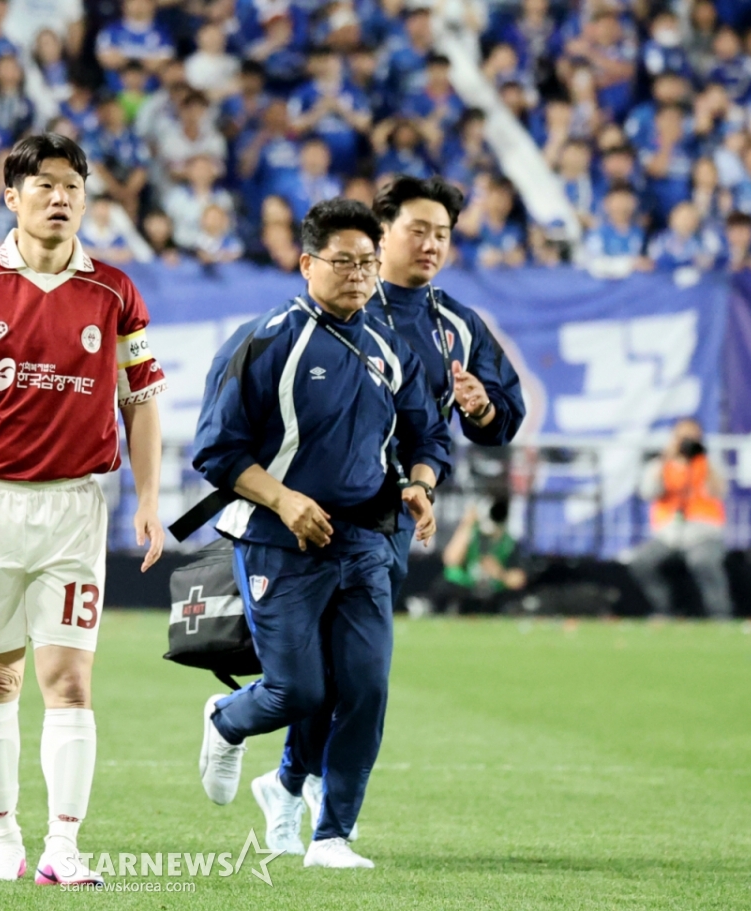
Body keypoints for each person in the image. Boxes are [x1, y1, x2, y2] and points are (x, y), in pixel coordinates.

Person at [0, 133, 166, 885]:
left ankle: (63, 848)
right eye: (45, 184)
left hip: (75, 507)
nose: (61, 197)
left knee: (70, 681)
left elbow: (142, 400)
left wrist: (149, 498)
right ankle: (3, 841)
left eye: (73, 186)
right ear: (11, 197)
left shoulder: (115, 292)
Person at [256, 174, 527, 849]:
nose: (432, 244)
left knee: (355, 672)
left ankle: (297, 788)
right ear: (382, 234)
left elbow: (503, 414)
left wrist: (481, 407)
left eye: (443, 234)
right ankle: (299, 786)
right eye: (418, 230)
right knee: (321, 671)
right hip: (315, 511)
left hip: (394, 517)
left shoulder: (457, 324)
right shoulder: (342, 303)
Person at [193, 199, 451, 868]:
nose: (359, 274)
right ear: (307, 263)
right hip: (279, 541)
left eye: (368, 262)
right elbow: (216, 450)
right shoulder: (265, 340)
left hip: (366, 541)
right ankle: (226, 718)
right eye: (344, 262)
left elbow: (426, 431)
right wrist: (285, 501)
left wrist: (420, 483)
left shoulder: (388, 345)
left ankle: (332, 835)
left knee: (365, 689)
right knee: (298, 691)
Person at [629, 419, 733, 620]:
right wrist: (664, 459)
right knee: (640, 561)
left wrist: (704, 460)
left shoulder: (708, 463)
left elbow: (720, 491)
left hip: (703, 532)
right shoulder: (661, 464)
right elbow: (648, 492)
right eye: (682, 437)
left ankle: (720, 614)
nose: (686, 442)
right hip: (669, 534)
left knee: (702, 561)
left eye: (692, 438)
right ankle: (664, 609)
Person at [430, 499, 526, 614]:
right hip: (466, 587)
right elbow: (450, 560)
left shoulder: (509, 543)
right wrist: (467, 524)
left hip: (495, 593)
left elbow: (519, 579)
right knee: (444, 586)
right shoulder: (471, 535)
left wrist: (500, 574)